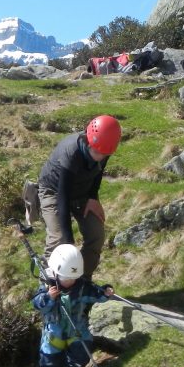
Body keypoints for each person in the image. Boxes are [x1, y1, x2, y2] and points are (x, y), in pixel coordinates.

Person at [37, 114, 120, 280]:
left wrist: (92, 198)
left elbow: (97, 174)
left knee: (96, 234)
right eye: (96, 152)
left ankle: (81, 281)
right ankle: (49, 287)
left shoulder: (105, 146)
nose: (100, 157)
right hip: (54, 191)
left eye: (104, 154)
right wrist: (68, 241)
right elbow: (63, 196)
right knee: (58, 239)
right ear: (89, 141)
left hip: (82, 192)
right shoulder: (71, 152)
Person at [32, 244, 114, 367]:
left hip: (77, 329)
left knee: (81, 351)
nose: (70, 281)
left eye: (73, 278)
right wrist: (48, 298)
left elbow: (95, 292)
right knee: (50, 355)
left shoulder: (82, 286)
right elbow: (37, 304)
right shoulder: (47, 287)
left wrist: (105, 292)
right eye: (66, 278)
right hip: (54, 331)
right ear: (55, 272)